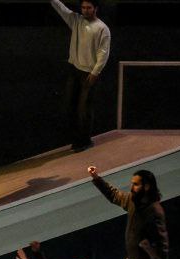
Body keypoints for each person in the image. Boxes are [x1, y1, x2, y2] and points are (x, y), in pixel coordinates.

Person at [89, 166, 166, 259]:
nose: (132, 187)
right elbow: (114, 195)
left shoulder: (154, 211)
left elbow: (162, 242)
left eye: (136, 184)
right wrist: (96, 178)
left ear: (146, 186)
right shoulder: (132, 201)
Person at [51, 0, 110, 152]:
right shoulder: (76, 20)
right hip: (74, 69)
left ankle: (85, 141)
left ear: (95, 9)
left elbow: (103, 52)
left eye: (89, 8)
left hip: (89, 73)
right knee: (70, 105)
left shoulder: (102, 28)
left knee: (84, 108)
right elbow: (61, 9)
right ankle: (76, 139)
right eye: (83, 7)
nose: (85, 10)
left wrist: (95, 72)